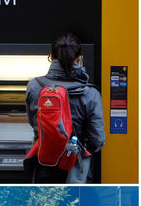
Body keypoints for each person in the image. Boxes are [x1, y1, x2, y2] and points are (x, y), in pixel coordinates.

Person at [25, 33, 105, 183]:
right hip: (75, 168)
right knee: (75, 205)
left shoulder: (34, 86)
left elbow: (32, 122)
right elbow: (97, 140)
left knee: (44, 205)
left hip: (43, 163)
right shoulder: (90, 93)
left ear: (50, 57)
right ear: (79, 58)